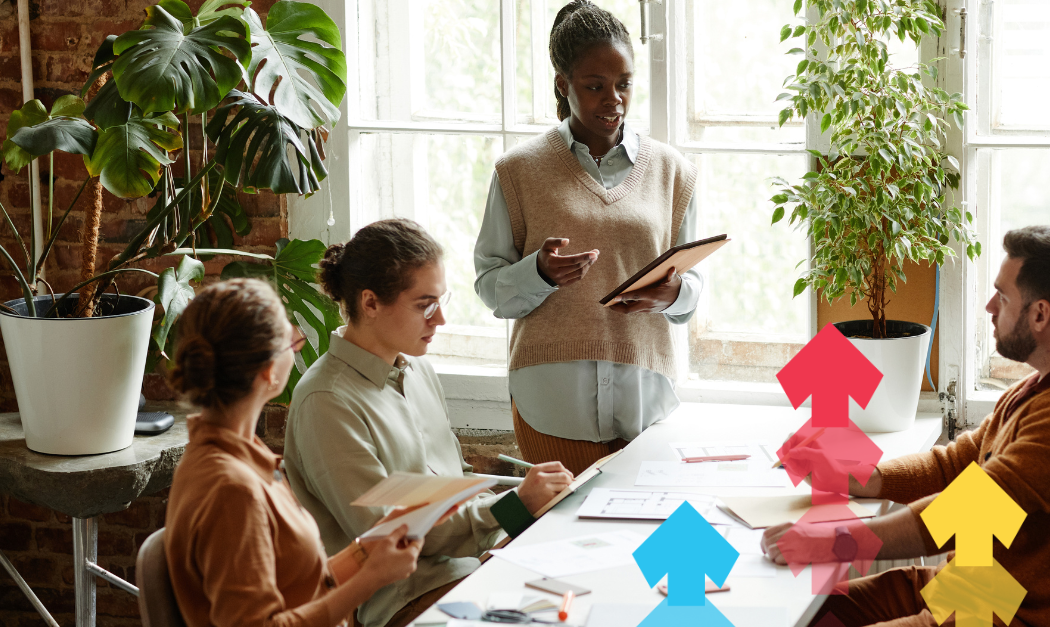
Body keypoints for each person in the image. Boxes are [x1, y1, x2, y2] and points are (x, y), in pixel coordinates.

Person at [761, 226, 1050, 626]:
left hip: (1011, 614)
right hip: (982, 589)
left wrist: (832, 543)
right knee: (820, 613)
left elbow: (966, 513)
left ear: (1041, 314)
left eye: (1003, 297)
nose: (990, 307)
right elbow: (956, 464)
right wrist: (862, 476)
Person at [285, 219, 574, 627]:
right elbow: (393, 536)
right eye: (424, 305)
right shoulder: (326, 401)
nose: (438, 322)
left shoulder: (419, 372)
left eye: (441, 301)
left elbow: (456, 480)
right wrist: (513, 507)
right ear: (369, 303)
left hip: (472, 569)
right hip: (407, 602)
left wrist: (538, 498)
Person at [474, 0, 703, 475]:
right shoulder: (517, 171)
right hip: (551, 404)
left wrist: (674, 292)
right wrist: (538, 272)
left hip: (647, 399)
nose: (613, 99)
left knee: (655, 541)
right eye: (595, 86)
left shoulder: (673, 172)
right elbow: (490, 288)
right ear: (564, 84)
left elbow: (692, 289)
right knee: (561, 543)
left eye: (623, 85)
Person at [164, 279, 429, 627]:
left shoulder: (239, 455)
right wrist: (369, 581)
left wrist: (365, 553)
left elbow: (297, 583)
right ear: (269, 371)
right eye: (291, 341)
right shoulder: (232, 491)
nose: (297, 347)